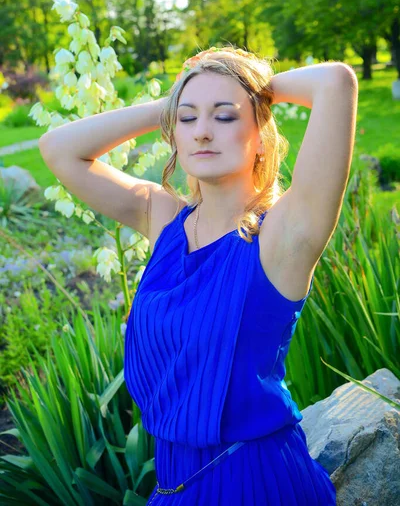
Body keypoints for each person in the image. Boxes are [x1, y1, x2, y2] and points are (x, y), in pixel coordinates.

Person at [39, 46, 340, 504]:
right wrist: (182, 96)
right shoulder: (164, 219)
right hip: (174, 485)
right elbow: (58, 148)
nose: (202, 132)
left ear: (260, 135)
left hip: (255, 481)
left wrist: (248, 84)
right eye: (187, 119)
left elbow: (335, 82)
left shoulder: (281, 237)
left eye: (224, 117)